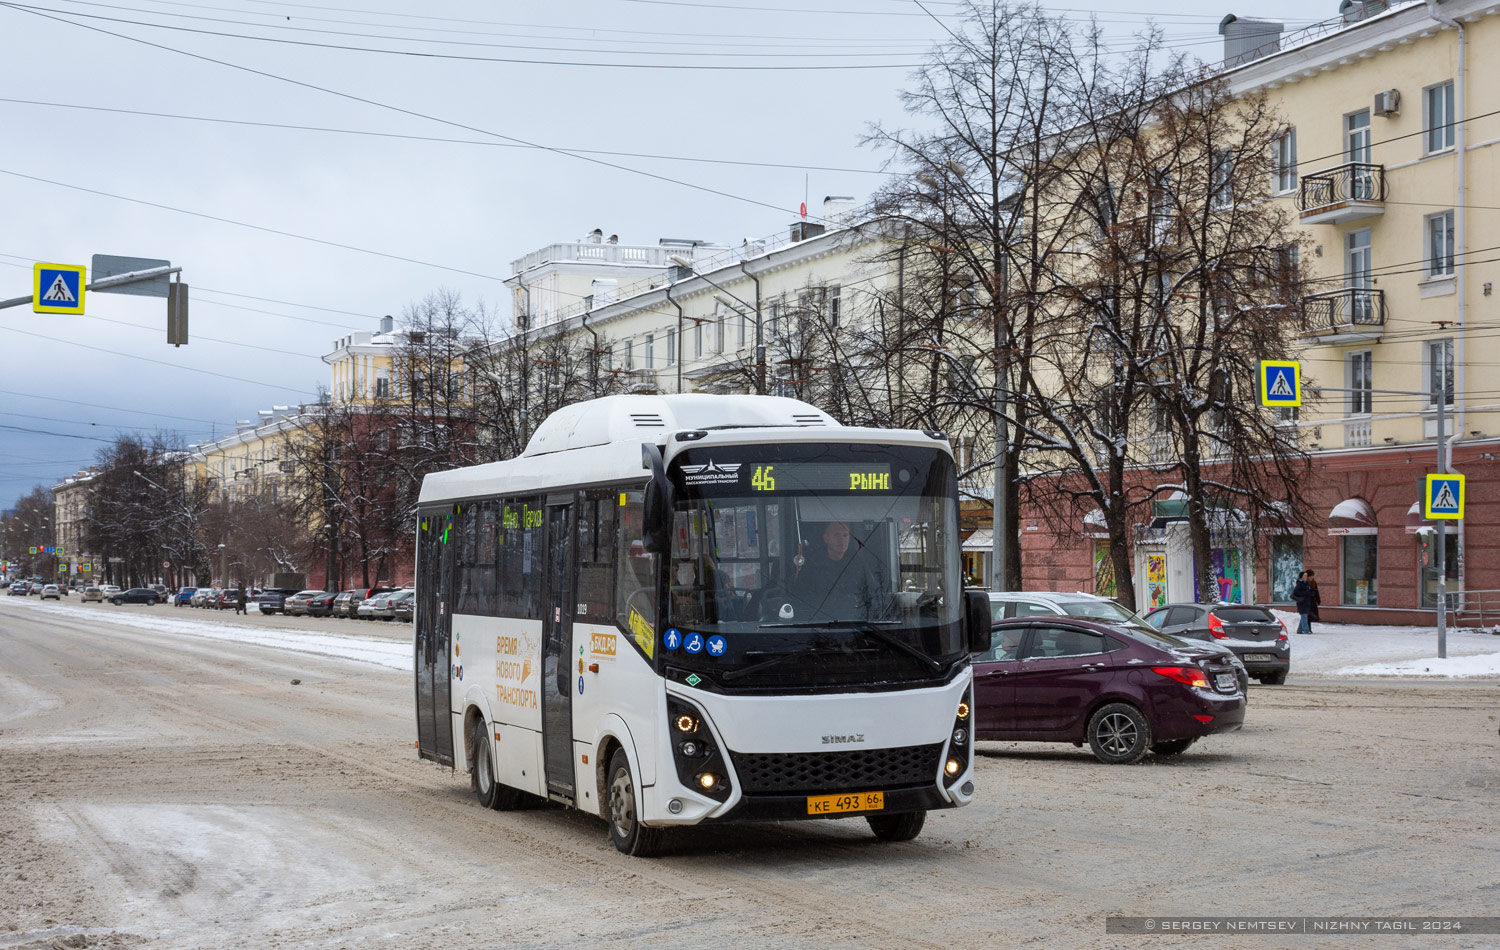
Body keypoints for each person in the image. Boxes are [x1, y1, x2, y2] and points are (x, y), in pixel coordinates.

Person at [792, 521, 885, 620]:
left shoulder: (858, 565)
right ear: (826, 538)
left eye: (845, 535)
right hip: (819, 624)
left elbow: (874, 595)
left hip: (854, 623)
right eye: (837, 535)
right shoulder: (812, 567)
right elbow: (801, 599)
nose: (842, 540)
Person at [1291, 570, 1319, 634]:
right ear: (1301, 577)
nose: (1306, 577)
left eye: (1306, 576)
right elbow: (1296, 592)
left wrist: (1312, 592)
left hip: (1307, 603)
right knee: (1304, 616)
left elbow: (1309, 591)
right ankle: (1306, 630)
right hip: (1302, 603)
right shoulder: (1300, 584)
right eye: (1305, 576)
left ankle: (1299, 630)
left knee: (1304, 616)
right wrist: (1306, 592)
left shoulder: (1306, 584)